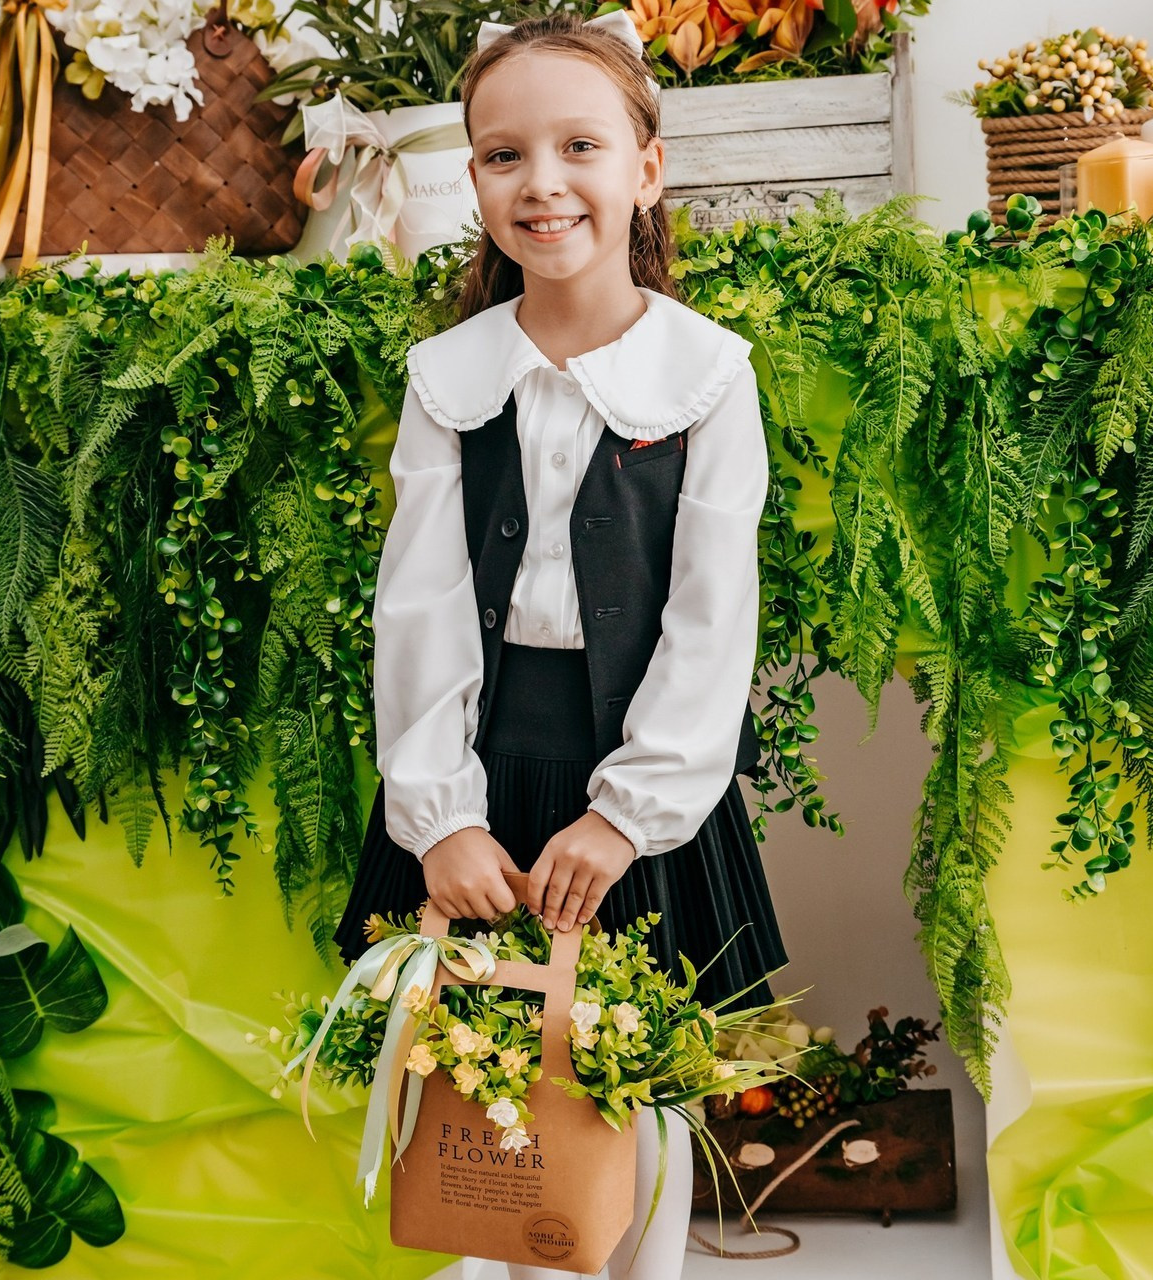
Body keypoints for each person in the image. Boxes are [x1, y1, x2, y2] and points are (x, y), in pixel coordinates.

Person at [333, 9, 788, 1277]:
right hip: (481, 773)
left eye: (578, 145)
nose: (541, 184)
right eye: (501, 155)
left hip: (623, 787)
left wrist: (627, 813)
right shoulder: (448, 377)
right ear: (470, 176)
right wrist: (440, 816)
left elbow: (712, 616)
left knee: (624, 1074)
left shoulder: (708, 376)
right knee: (463, 1059)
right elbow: (415, 605)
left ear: (645, 168)